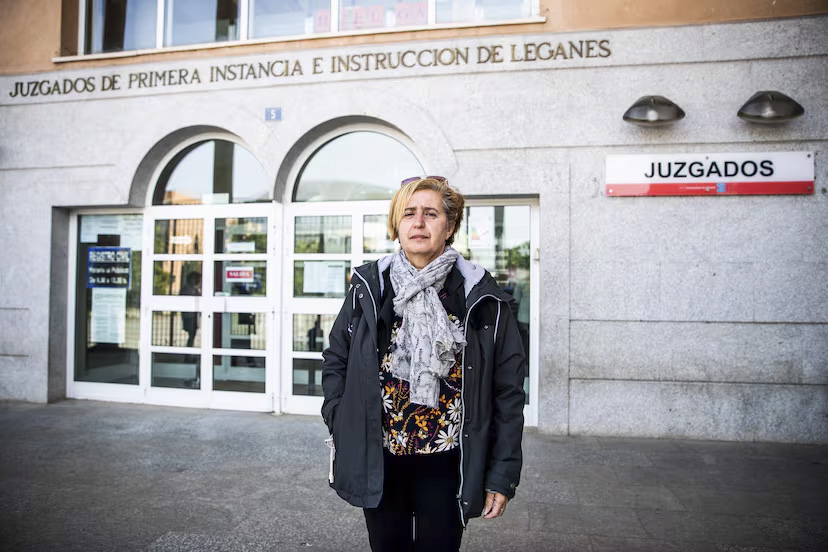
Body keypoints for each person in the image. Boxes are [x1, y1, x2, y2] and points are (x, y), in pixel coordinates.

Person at [321, 176, 526, 552]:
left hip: (449, 462)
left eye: (430, 213)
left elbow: (508, 391)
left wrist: (502, 473)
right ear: (396, 225)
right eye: (408, 213)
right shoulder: (371, 286)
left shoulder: (479, 294)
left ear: (449, 226)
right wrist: (340, 417)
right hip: (380, 458)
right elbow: (337, 359)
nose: (418, 222)